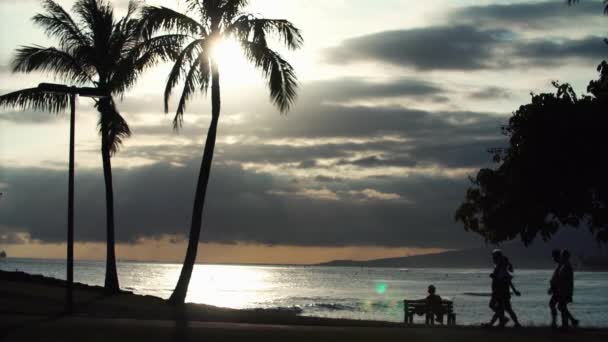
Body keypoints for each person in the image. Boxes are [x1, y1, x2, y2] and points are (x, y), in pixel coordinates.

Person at [557, 249, 579, 330]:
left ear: (565, 257)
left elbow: (565, 279)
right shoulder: (565, 265)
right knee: (562, 307)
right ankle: (567, 324)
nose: (561, 257)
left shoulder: (567, 266)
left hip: (566, 291)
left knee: (561, 307)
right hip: (564, 290)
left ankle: (570, 322)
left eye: (562, 255)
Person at [548, 249, 562, 329]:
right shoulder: (559, 265)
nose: (553, 259)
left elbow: (558, 279)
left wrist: (553, 288)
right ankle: (554, 322)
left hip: (558, 290)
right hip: (556, 289)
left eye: (553, 257)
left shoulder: (560, 265)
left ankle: (554, 323)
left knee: (552, 304)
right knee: (561, 306)